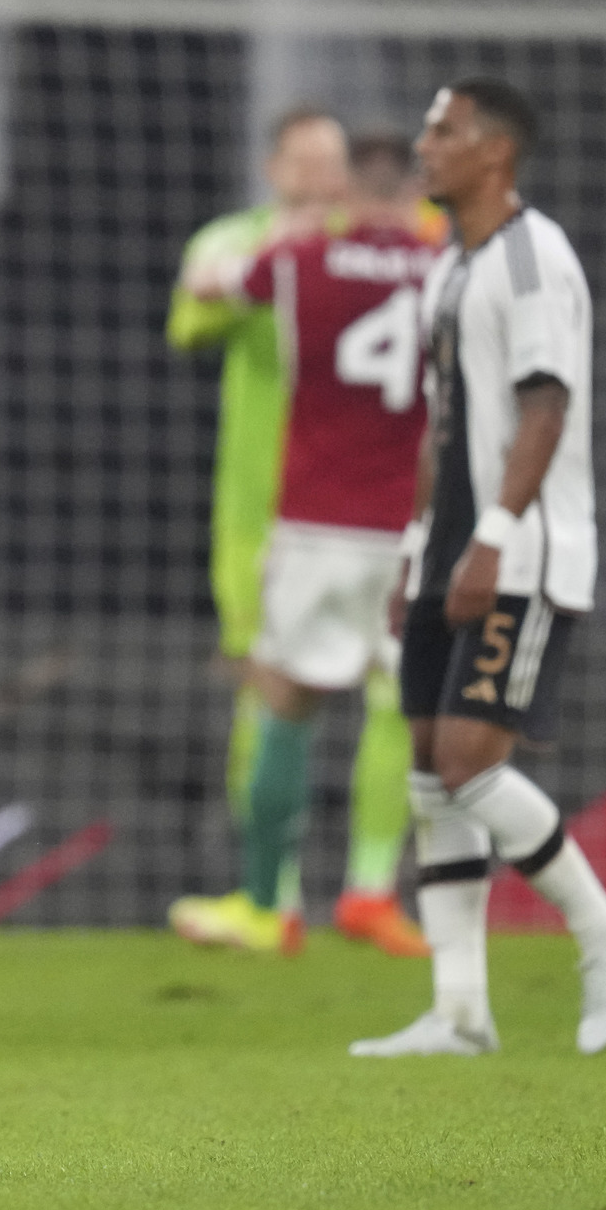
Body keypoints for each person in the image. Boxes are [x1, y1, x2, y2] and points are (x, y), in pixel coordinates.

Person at [352, 78, 606, 1058]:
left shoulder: (532, 258)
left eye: (440, 132)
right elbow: (443, 430)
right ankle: (459, 1011)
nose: (422, 146)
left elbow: (545, 407)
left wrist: (490, 538)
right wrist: (416, 549)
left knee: (468, 765)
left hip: (520, 552)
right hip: (450, 550)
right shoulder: (455, 266)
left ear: (492, 153)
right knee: (435, 785)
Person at [167, 108, 428, 955]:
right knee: (412, 704)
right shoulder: (445, 256)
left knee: (284, 699)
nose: (319, 182)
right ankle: (301, 895)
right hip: (395, 519)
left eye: (332, 166)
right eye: (305, 164)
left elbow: (207, 293)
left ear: (350, 182)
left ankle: (301, 896)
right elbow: (191, 326)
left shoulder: (285, 256)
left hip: (309, 520)